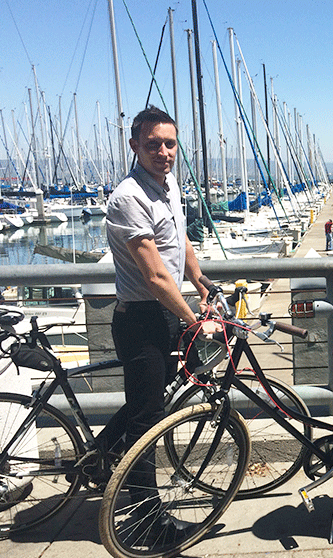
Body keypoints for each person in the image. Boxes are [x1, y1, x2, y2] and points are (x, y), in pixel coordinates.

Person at [103, 105, 219, 535]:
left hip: (165, 314)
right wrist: (193, 318)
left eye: (170, 143)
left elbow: (180, 238)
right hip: (142, 320)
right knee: (148, 420)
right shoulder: (129, 197)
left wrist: (200, 279)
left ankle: (102, 458)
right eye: (153, 144)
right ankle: (146, 516)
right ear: (135, 146)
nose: (163, 151)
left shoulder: (168, 185)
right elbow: (153, 274)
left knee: (149, 402)